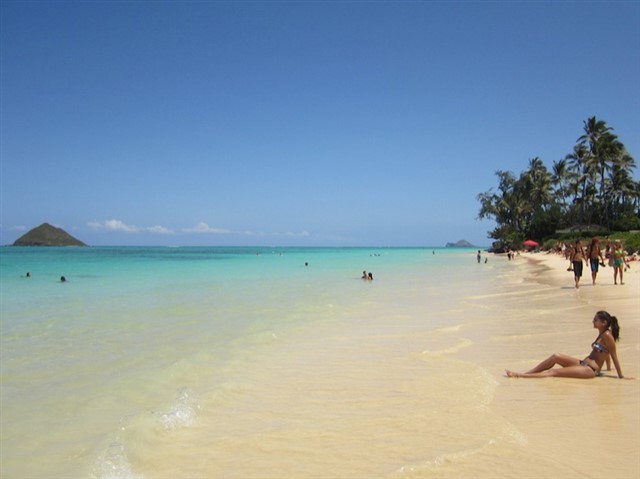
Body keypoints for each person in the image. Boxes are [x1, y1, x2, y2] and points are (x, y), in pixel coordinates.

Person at [505, 311, 625, 379]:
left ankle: (519, 375)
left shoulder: (607, 336)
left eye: (595, 320)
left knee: (553, 372)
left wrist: (620, 376)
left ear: (603, 323)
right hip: (583, 364)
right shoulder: (601, 333)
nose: (592, 322)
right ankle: (528, 372)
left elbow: (613, 354)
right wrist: (608, 369)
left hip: (589, 370)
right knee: (555, 356)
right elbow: (606, 353)